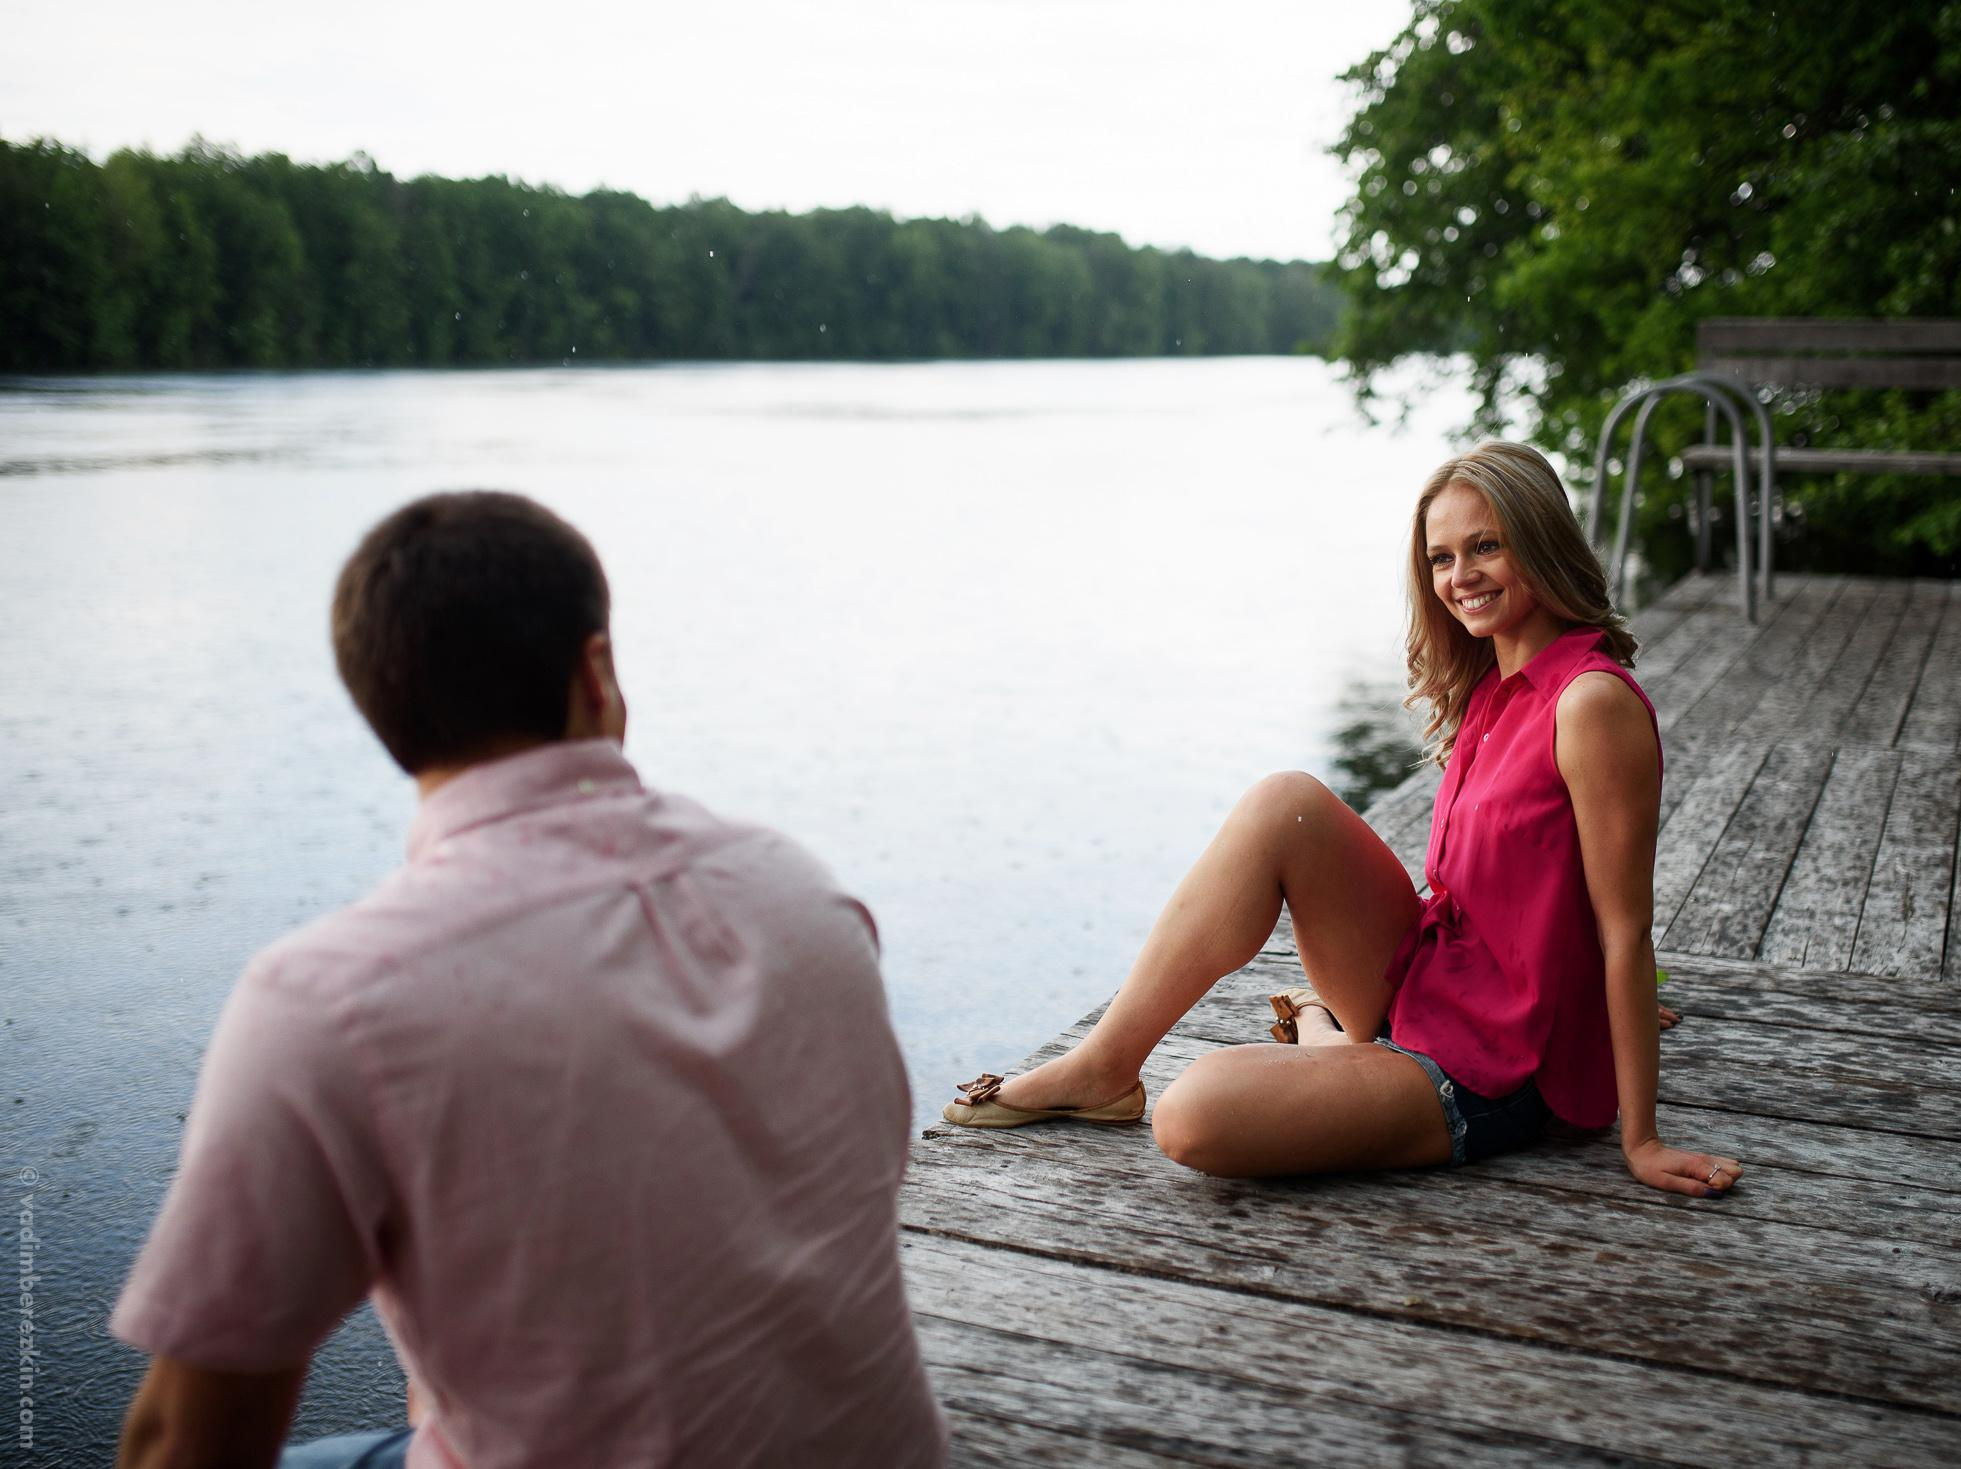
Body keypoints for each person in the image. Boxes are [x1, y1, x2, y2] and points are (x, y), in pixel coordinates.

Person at [110, 492, 945, 1469]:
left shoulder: (329, 999)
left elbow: (187, 1442)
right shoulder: (800, 891)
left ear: (383, 707)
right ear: (597, 671)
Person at [943, 442, 1742, 1197]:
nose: (1460, 575)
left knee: (1191, 1114)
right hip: (1439, 979)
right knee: (1283, 803)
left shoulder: (1590, 703)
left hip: (1498, 1065)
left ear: (1541, 542)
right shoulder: (1493, 686)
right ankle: (1103, 1066)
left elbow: (1626, 929)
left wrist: (1641, 1139)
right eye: (1441, 557)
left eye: (1485, 546)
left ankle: (1324, 1033)